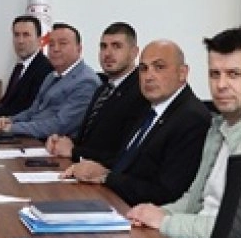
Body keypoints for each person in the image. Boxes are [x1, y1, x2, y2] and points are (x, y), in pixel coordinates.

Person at [127, 25, 241, 238]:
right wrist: (153, 214)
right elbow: (195, 200)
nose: (221, 85)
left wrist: (165, 223)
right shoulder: (219, 124)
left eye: (234, 74)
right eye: (215, 74)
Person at [61, 40, 210, 206]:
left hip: (140, 213)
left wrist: (106, 177)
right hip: (113, 199)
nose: (148, 76)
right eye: (143, 68)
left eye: (159, 67)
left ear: (182, 73)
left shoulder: (191, 118)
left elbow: (167, 193)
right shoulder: (149, 107)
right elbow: (126, 160)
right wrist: (91, 167)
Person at [47, 22, 149, 165]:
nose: (108, 53)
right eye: (103, 46)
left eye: (116, 46)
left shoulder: (141, 92)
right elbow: (91, 140)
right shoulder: (103, 88)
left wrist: (74, 151)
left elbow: (123, 154)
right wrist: (62, 142)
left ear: (134, 52)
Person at [0, 23, 100, 139]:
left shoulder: (86, 82)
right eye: (51, 44)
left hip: (53, 144)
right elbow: (33, 111)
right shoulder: (51, 76)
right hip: (33, 137)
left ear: (79, 49)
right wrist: (9, 120)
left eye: (62, 43)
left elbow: (60, 125)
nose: (55, 49)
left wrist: (13, 128)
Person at [0, 15, 53, 121]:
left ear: (39, 40)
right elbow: (8, 103)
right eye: (16, 35)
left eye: (26, 35)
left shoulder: (45, 68)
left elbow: (29, 110)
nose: (20, 41)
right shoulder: (20, 66)